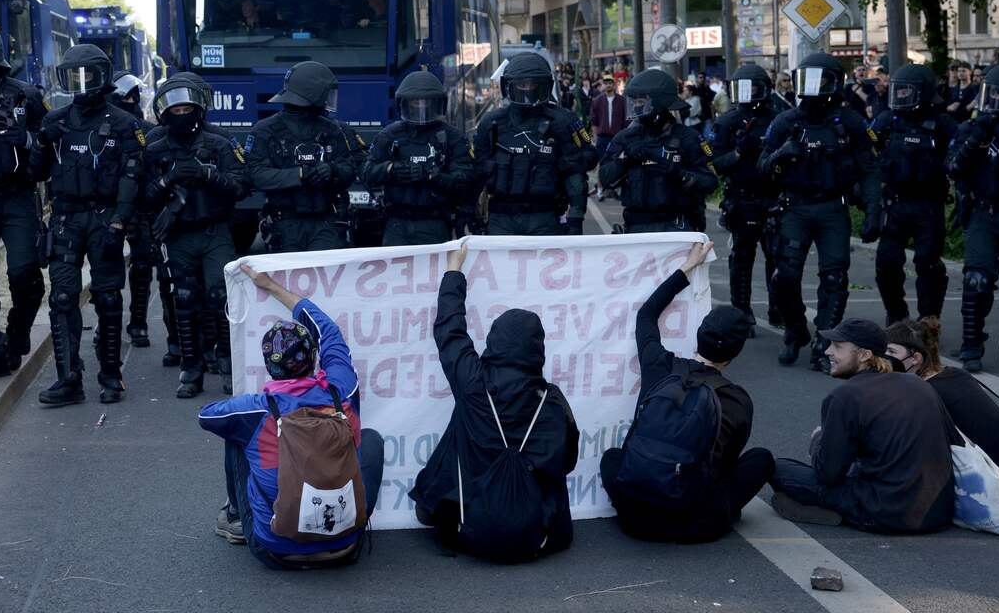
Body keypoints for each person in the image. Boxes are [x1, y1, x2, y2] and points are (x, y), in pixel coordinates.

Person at [199, 264, 384, 569]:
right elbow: (327, 329)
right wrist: (271, 286)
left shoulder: (255, 409)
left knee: (236, 438)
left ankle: (234, 516)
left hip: (277, 552)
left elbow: (205, 416)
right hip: (345, 547)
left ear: (269, 366)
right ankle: (345, 528)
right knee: (373, 441)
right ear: (314, 358)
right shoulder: (343, 389)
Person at [409, 243, 579, 560]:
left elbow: (450, 330)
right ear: (537, 349)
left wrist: (454, 270)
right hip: (536, 534)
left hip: (468, 531)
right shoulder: (551, 401)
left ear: (494, 340)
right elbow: (565, 461)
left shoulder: (474, 383)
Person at [600, 241, 775, 542]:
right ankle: (721, 511)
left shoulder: (660, 366)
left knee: (613, 456)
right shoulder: (737, 399)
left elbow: (646, 315)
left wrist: (688, 267)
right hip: (694, 523)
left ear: (698, 335)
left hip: (634, 517)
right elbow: (724, 464)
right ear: (734, 355)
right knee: (761, 459)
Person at [30, 45, 145, 405]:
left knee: (108, 299)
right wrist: (41, 144)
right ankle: (68, 379)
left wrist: (119, 223)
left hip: (104, 218)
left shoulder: (125, 124)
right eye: (72, 77)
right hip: (65, 217)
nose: (80, 85)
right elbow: (35, 173)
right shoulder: (55, 122)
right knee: (63, 297)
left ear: (102, 77)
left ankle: (110, 373)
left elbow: (132, 177)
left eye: (87, 76)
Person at [769, 318, 957, 533]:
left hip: (886, 514)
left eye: (838, 347)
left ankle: (833, 510)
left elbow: (828, 474)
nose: (828, 351)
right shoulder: (917, 383)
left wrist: (818, 440)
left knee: (775, 467)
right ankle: (830, 509)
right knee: (858, 465)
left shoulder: (845, 396)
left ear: (865, 355)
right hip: (939, 512)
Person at [759, 52, 881, 370]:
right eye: (806, 80)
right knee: (783, 278)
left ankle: (825, 342)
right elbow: (762, 167)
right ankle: (795, 330)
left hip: (832, 208)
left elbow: (869, 168)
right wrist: (780, 156)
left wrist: (873, 210)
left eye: (819, 81)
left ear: (835, 83)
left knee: (835, 278)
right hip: (795, 208)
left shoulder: (849, 121)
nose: (811, 88)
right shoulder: (785, 122)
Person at [144, 75, 250, 397]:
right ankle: (191, 370)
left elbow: (242, 186)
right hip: (179, 235)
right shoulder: (155, 147)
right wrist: (167, 182)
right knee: (185, 299)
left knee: (221, 296)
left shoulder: (219, 143)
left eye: (187, 108)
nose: (182, 115)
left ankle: (229, 364)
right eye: (175, 110)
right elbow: (143, 197)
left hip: (214, 230)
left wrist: (209, 175)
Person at [886, 318, 999, 493]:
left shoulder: (926, 393)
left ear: (915, 358)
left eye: (891, 351)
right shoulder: (954, 374)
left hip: (993, 486)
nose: (884, 357)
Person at [869, 64, 957, 326]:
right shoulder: (887, 119)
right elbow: (869, 144)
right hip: (895, 203)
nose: (902, 95)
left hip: (928, 205)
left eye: (908, 90)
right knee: (886, 263)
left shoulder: (943, 125)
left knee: (928, 266)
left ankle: (928, 322)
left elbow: (960, 158)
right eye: (899, 90)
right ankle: (896, 315)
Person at [247, 61, 365, 252]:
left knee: (328, 278)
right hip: (285, 224)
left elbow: (351, 169)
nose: (330, 99)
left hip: (326, 221)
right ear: (312, 93)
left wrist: (332, 171)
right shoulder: (265, 130)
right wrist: (299, 174)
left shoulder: (333, 128)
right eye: (326, 93)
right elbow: (256, 176)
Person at [474, 52, 596, 235]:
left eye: (533, 84)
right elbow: (476, 173)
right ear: (508, 86)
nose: (527, 90)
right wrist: (469, 215)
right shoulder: (492, 124)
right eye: (522, 84)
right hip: (501, 218)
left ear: (544, 86)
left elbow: (578, 171)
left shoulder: (563, 122)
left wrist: (575, 218)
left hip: (544, 217)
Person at [947, 62, 999, 372]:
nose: (994, 101)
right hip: (983, 215)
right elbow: (953, 168)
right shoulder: (976, 128)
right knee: (977, 280)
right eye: (992, 93)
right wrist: (978, 139)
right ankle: (971, 344)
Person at [709, 64, 787, 332]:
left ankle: (778, 308)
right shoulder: (727, 121)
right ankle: (741, 311)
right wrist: (739, 154)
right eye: (743, 88)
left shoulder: (780, 119)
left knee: (777, 257)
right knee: (741, 258)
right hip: (742, 199)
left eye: (753, 88)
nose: (748, 94)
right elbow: (717, 163)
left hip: (774, 198)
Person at [598, 69, 717, 233]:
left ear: (659, 103)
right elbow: (604, 178)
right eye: (634, 102)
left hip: (676, 227)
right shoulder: (626, 138)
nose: (636, 107)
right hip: (636, 226)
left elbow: (710, 182)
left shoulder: (688, 138)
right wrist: (624, 159)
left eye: (641, 102)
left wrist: (679, 173)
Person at [362, 71, 473, 245]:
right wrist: (391, 169)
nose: (421, 106)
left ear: (437, 103)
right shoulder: (390, 135)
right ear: (404, 103)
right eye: (416, 101)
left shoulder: (452, 137)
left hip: (435, 222)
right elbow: (367, 173)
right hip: (396, 223)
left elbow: (465, 182)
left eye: (426, 101)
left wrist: (432, 176)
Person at [0, 37, 47, 378]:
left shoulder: (25, 95)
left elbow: (50, 143)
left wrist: (25, 139)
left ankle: (16, 334)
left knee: (24, 273)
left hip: (17, 194)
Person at [106, 72, 157, 350]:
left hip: (139, 207)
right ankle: (109, 325)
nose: (130, 100)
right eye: (125, 96)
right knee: (108, 271)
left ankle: (138, 322)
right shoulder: (104, 126)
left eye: (133, 96)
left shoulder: (145, 130)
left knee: (142, 267)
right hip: (109, 207)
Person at [590, 73, 625, 200]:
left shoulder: (622, 100)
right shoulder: (598, 100)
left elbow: (625, 120)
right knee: (602, 164)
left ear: (614, 84)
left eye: (610, 82)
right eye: (606, 82)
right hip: (603, 137)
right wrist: (595, 137)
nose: (608, 85)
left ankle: (613, 188)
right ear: (603, 84)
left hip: (617, 137)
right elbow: (594, 120)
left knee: (617, 163)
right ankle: (600, 189)